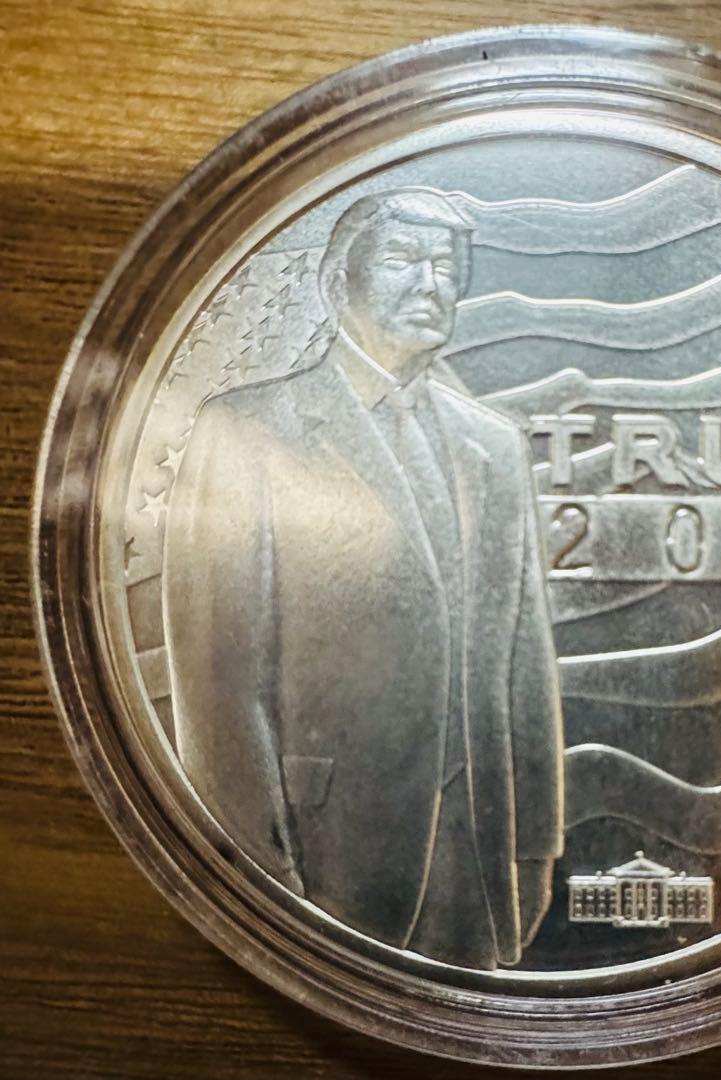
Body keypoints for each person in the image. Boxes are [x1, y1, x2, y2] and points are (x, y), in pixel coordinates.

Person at [162, 189, 564, 970]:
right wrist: (251, 869)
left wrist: (534, 849)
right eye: (403, 260)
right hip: (321, 859)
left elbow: (524, 660)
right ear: (335, 282)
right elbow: (217, 677)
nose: (431, 282)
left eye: (446, 265)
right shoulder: (246, 431)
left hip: (476, 872)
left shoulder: (494, 446)